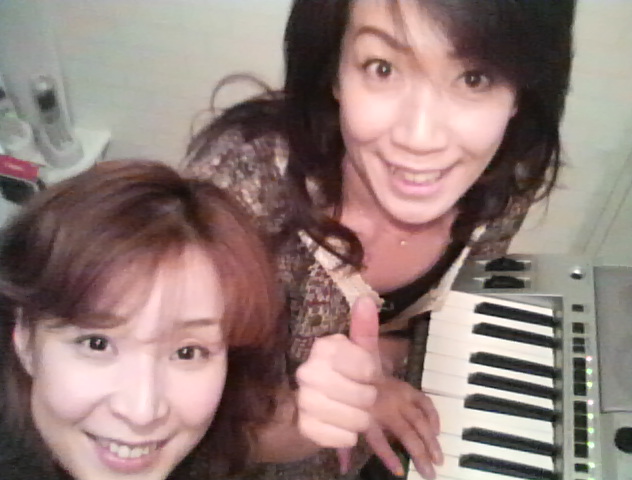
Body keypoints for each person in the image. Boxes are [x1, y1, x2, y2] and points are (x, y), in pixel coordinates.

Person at [184, 0, 575, 479]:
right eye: (383, 68)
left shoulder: (500, 184)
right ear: (335, 72)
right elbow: (170, 411)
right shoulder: (240, 194)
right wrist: (305, 418)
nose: (420, 137)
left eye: (474, 78)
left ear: (518, 94)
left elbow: (443, 319)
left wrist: (387, 363)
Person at [0, 160, 382, 480]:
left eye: (187, 352)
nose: (142, 412)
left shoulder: (215, 426)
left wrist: (325, 411)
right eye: (97, 344)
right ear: (25, 338)